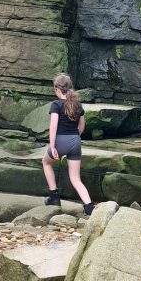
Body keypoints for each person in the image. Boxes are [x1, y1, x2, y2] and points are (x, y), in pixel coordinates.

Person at [42, 73, 94, 216]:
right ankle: (89, 207)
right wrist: (75, 137)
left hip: (61, 141)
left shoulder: (56, 105)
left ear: (57, 89)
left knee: (46, 162)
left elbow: (53, 127)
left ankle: (54, 197)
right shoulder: (77, 105)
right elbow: (82, 126)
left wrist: (52, 147)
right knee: (76, 178)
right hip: (75, 141)